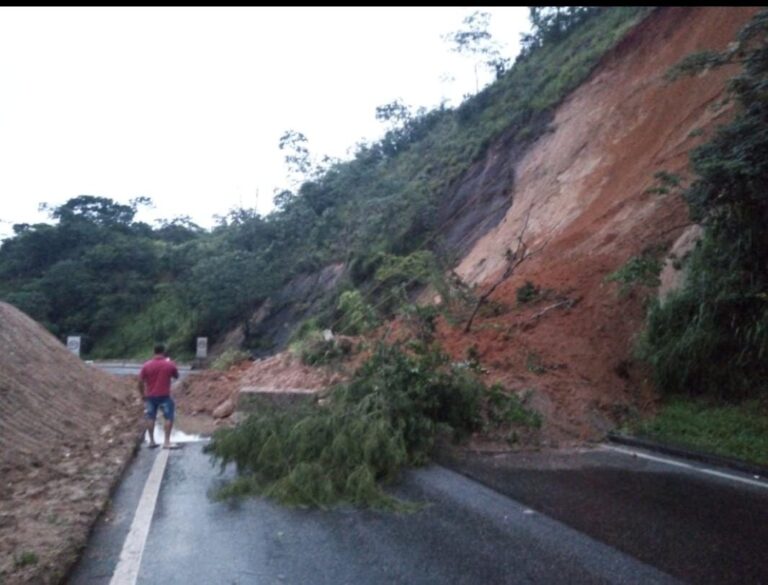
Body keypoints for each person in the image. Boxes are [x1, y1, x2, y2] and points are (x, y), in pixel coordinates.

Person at [138, 343, 180, 449]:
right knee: (168, 417)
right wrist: (173, 365)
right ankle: (166, 442)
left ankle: (152, 441)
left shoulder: (146, 365)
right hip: (165, 395)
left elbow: (140, 381)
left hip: (150, 396)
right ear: (164, 352)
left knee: (151, 417)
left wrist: (143, 395)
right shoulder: (169, 364)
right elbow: (176, 376)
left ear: (154, 352)